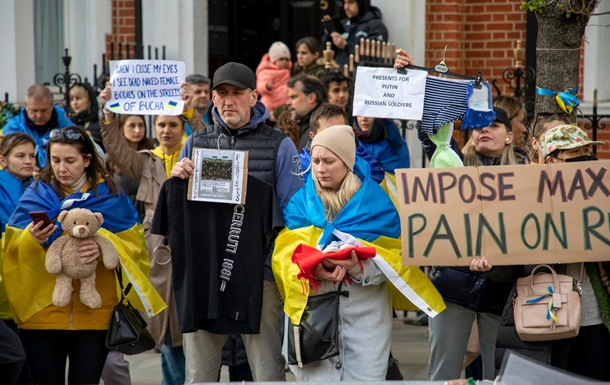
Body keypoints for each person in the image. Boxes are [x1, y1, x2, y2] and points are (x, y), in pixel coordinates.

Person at [272, 124, 445, 381]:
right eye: (316, 160)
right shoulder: (301, 203)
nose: (320, 169)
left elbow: (397, 260)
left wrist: (360, 267)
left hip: (366, 327)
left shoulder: (377, 204)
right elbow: (284, 256)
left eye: (329, 161)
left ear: (347, 162)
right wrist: (312, 267)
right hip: (314, 326)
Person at [167, 61, 303, 383]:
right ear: (212, 99)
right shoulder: (195, 143)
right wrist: (175, 179)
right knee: (198, 373)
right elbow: (180, 213)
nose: (228, 101)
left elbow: (294, 214)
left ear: (254, 96)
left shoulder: (279, 145)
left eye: (237, 93)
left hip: (259, 276)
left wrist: (270, 267)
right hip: (206, 275)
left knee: (267, 370)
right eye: (221, 94)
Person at [2, 125, 165, 384]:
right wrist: (31, 239)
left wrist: (104, 245)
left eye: (70, 160)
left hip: (95, 315)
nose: (61, 168)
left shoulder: (111, 197)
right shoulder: (35, 195)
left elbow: (136, 251)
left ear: (87, 160)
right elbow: (9, 250)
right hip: (40, 315)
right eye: (55, 160)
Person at [472, 124, 610, 381]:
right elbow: (510, 270)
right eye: (575, 156)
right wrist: (491, 265)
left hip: (594, 321)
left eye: (586, 153)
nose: (586, 161)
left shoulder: (600, 196)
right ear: (550, 161)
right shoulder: (524, 201)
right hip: (543, 321)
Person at [100, 81, 203, 385]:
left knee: (189, 324)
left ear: (181, 126)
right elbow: (117, 150)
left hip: (192, 242)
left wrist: (191, 112)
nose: (167, 130)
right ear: (154, 127)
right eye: (161, 124)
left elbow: (211, 141)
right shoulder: (145, 160)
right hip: (155, 247)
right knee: (165, 327)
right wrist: (107, 114)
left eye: (173, 124)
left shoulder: (197, 153)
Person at [423, 107, 528, 381]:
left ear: (509, 136)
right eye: (477, 125)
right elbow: (431, 132)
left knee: (501, 377)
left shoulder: (527, 176)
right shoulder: (452, 165)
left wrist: (497, 265)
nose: (484, 129)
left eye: (493, 125)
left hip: (501, 295)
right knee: (443, 375)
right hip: (452, 289)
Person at [0, 133, 36, 385]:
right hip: (6, 287)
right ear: (3, 160)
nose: (28, 161)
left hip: (32, 288)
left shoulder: (38, 186)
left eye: (32, 156)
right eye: (20, 156)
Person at [298, 103, 384, 184]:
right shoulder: (302, 164)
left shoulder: (357, 154)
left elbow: (376, 176)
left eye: (340, 131)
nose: (335, 138)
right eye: (327, 133)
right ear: (313, 136)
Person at [2, 84, 73, 168]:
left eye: (44, 110)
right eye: (34, 110)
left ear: (52, 105)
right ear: (26, 106)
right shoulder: (12, 129)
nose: (39, 115)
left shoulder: (67, 127)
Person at [322, 0, 389, 68]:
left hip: (360, 74)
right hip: (338, 73)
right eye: (345, 3)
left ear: (361, 4)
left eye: (351, 2)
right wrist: (329, 34)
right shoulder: (344, 23)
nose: (346, 7)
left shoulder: (376, 26)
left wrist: (346, 46)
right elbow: (326, 51)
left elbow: (374, 55)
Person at [285, 74, 327, 151]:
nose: (288, 102)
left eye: (293, 97)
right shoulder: (305, 125)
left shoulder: (323, 126)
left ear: (311, 98)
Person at [256, 41, 292, 119]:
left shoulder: (289, 70)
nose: (284, 62)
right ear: (273, 61)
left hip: (284, 104)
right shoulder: (266, 71)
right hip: (270, 103)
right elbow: (259, 86)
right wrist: (266, 86)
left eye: (286, 59)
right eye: (281, 59)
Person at [68, 82, 104, 149]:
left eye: (78, 98)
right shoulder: (67, 124)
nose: (74, 103)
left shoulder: (100, 127)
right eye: (71, 99)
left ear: (90, 101)